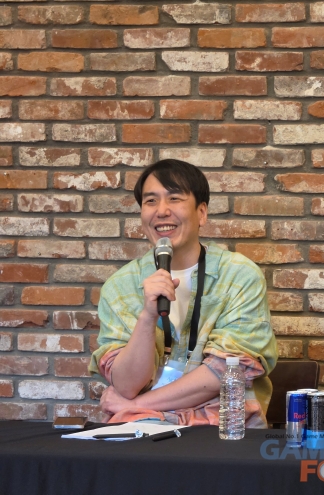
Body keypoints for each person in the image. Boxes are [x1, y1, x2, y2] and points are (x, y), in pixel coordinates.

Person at [89, 159, 277, 426]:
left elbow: (226, 372)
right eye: (151, 201)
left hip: (222, 431)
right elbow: (127, 385)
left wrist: (135, 405)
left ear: (201, 213)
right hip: (142, 433)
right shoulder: (120, 286)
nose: (162, 211)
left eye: (174, 198)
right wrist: (147, 317)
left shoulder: (239, 276)